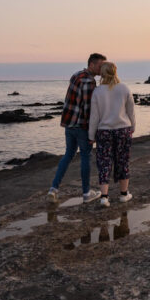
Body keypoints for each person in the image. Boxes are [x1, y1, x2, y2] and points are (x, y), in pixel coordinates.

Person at [47, 53, 106, 203]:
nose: (102, 68)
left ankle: (54, 189)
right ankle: (86, 193)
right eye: (100, 65)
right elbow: (88, 111)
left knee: (68, 154)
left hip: (69, 123)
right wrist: (92, 133)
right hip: (82, 126)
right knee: (86, 156)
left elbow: (70, 101)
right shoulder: (89, 82)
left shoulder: (76, 75)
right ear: (91, 64)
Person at [88, 61, 135, 207]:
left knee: (104, 162)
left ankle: (104, 197)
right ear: (115, 72)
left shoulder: (97, 91)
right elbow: (131, 111)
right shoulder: (124, 88)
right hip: (123, 130)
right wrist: (133, 127)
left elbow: (94, 116)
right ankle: (123, 195)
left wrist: (91, 135)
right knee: (122, 161)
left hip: (104, 131)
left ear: (102, 74)